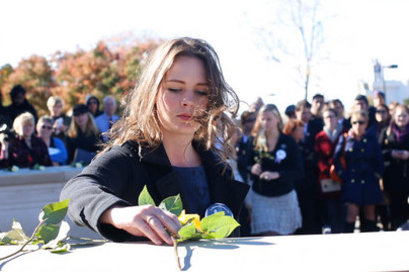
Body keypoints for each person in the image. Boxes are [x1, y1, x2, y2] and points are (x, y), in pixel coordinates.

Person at [61, 37, 248, 244]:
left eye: (201, 91)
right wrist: (118, 214)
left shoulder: (217, 166)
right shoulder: (130, 158)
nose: (188, 101)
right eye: (175, 88)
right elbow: (75, 191)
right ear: (152, 90)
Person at [247, 104, 303, 236]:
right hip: (261, 197)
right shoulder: (254, 141)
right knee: (268, 236)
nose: (265, 123)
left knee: (284, 238)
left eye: (269, 119)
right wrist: (252, 168)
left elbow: (299, 171)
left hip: (284, 196)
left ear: (278, 119)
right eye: (263, 119)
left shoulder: (289, 141)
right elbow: (245, 164)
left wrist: (277, 174)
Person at [334, 108, 384, 233]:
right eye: (355, 122)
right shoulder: (345, 139)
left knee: (369, 215)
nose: (358, 125)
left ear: (366, 124)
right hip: (352, 181)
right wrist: (343, 175)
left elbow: (379, 160)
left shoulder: (371, 139)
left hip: (369, 180)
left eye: (361, 122)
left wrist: (377, 175)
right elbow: (336, 159)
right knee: (351, 213)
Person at [314, 106, 344, 233]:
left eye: (332, 116)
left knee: (343, 209)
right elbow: (318, 157)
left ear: (337, 117)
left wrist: (339, 170)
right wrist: (327, 170)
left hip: (343, 176)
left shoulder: (345, 132)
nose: (330, 119)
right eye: (327, 117)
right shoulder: (320, 136)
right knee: (330, 208)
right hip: (327, 178)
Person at [380, 104, 409, 230]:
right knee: (396, 207)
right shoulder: (386, 131)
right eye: (399, 116)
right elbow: (379, 151)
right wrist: (392, 153)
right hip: (393, 176)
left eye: (404, 115)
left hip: (407, 173)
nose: (401, 118)